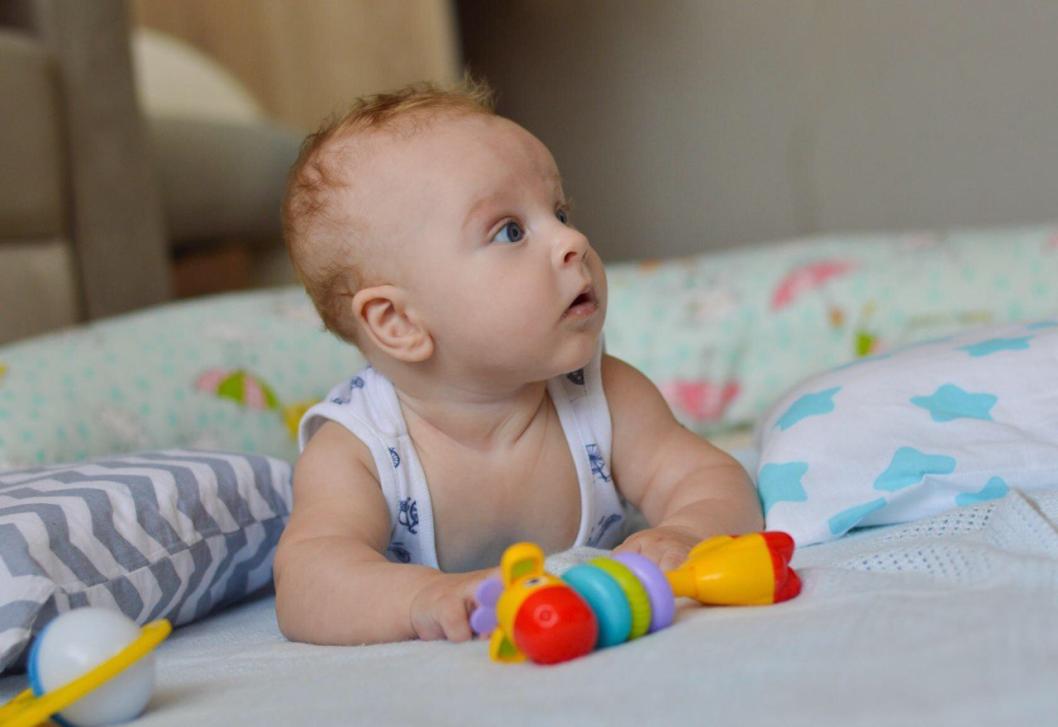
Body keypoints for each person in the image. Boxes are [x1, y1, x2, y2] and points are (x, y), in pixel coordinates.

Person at [273, 78, 762, 646]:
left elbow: (712, 479)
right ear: (398, 322)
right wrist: (418, 598)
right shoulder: (358, 450)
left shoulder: (601, 396)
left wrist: (686, 531)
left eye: (560, 211)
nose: (572, 241)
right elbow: (307, 581)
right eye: (509, 231)